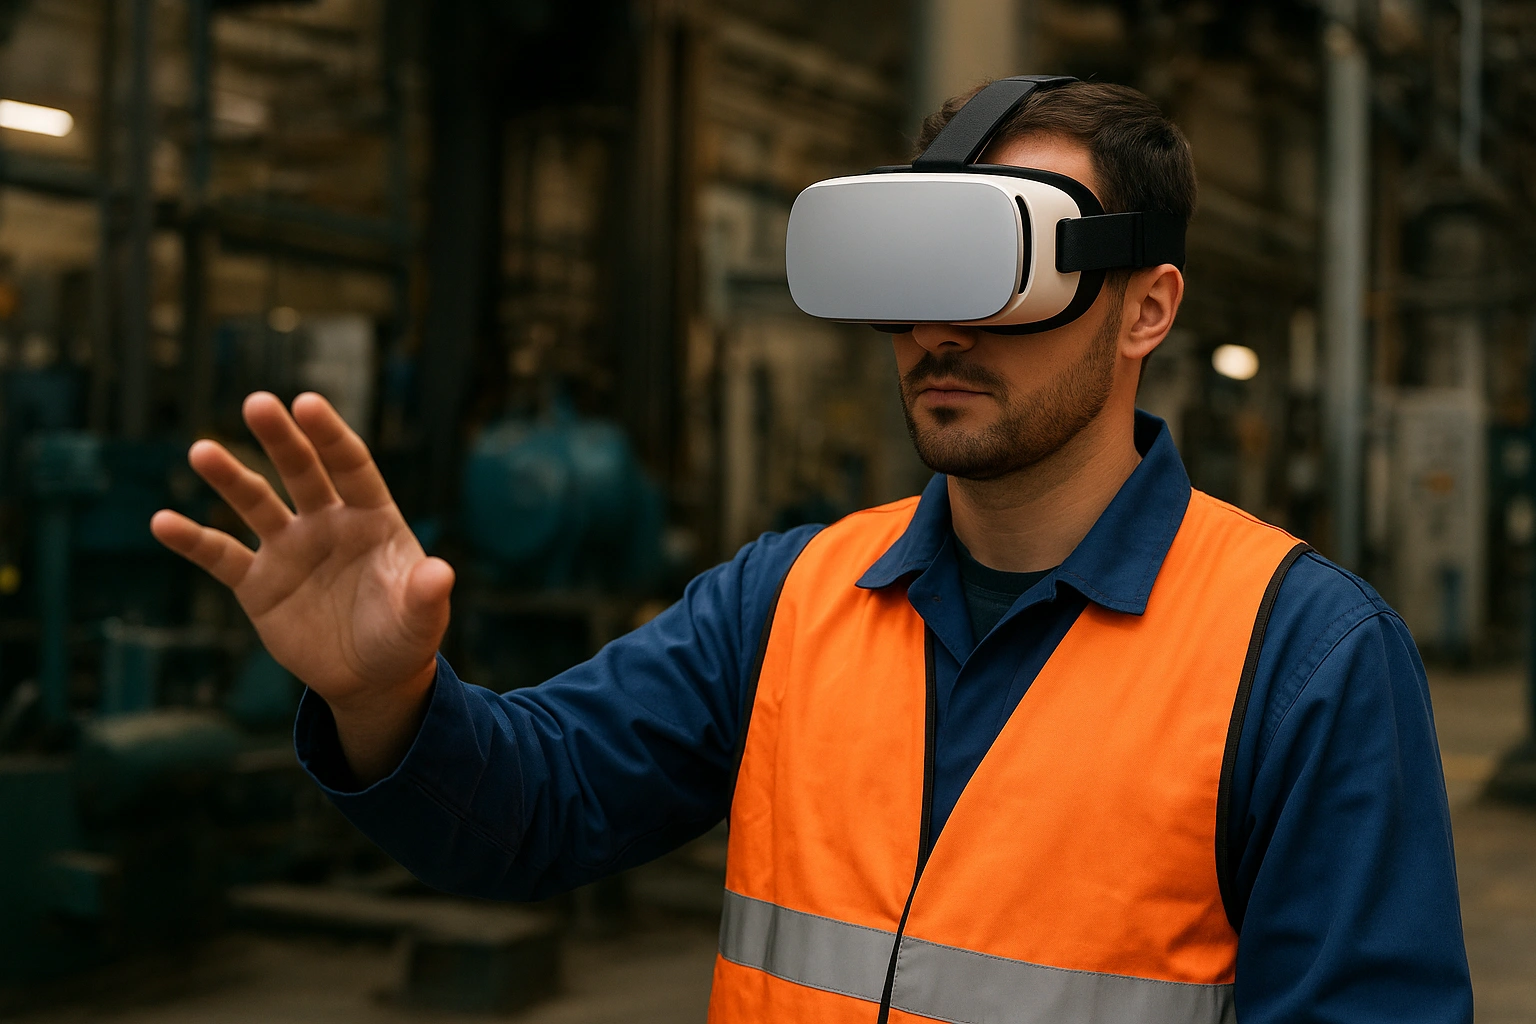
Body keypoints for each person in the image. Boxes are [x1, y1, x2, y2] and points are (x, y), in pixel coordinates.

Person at [151, 81, 1471, 1023]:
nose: (939, 326)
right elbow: (529, 814)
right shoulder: (790, 600)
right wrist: (387, 704)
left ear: (1147, 307)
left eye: (1004, 263)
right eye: (911, 264)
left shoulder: (1300, 655)